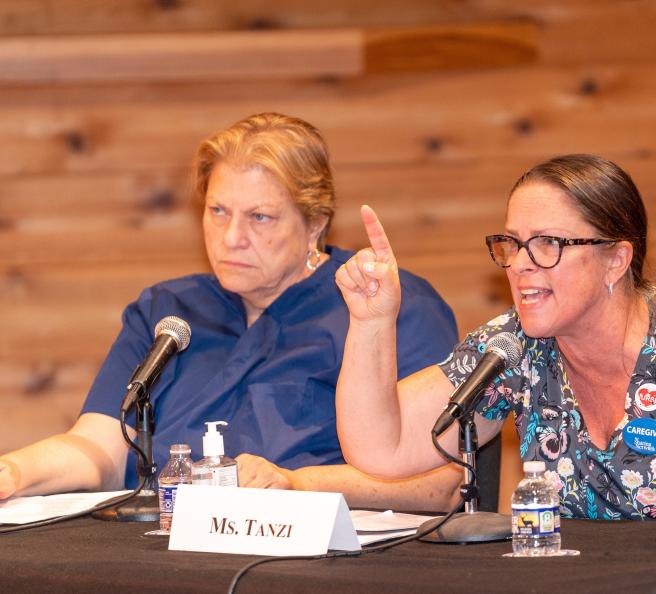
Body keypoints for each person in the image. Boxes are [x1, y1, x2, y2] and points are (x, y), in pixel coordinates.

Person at [0, 113, 463, 511]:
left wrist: (298, 484)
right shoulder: (167, 313)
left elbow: (442, 485)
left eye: (259, 217)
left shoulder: (386, 306)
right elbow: (96, 449)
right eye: (217, 210)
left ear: (315, 223)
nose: (231, 237)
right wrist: (15, 471)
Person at [334, 154, 656, 523]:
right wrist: (372, 321)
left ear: (616, 261)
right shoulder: (514, 348)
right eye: (513, 243)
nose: (519, 264)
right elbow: (382, 447)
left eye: (547, 244)